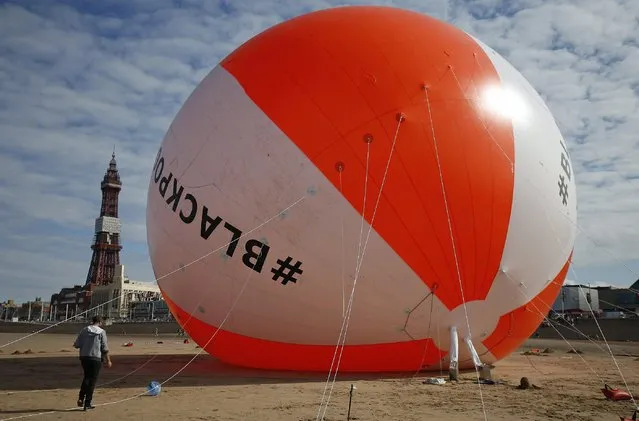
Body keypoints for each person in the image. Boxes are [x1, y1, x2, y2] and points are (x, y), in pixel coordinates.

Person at [73, 315, 112, 410]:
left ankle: (81, 398)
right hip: (95, 358)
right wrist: (108, 360)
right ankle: (87, 403)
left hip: (84, 357)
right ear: (99, 322)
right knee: (92, 381)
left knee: (87, 377)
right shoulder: (101, 332)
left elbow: (77, 345)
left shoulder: (84, 330)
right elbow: (105, 348)